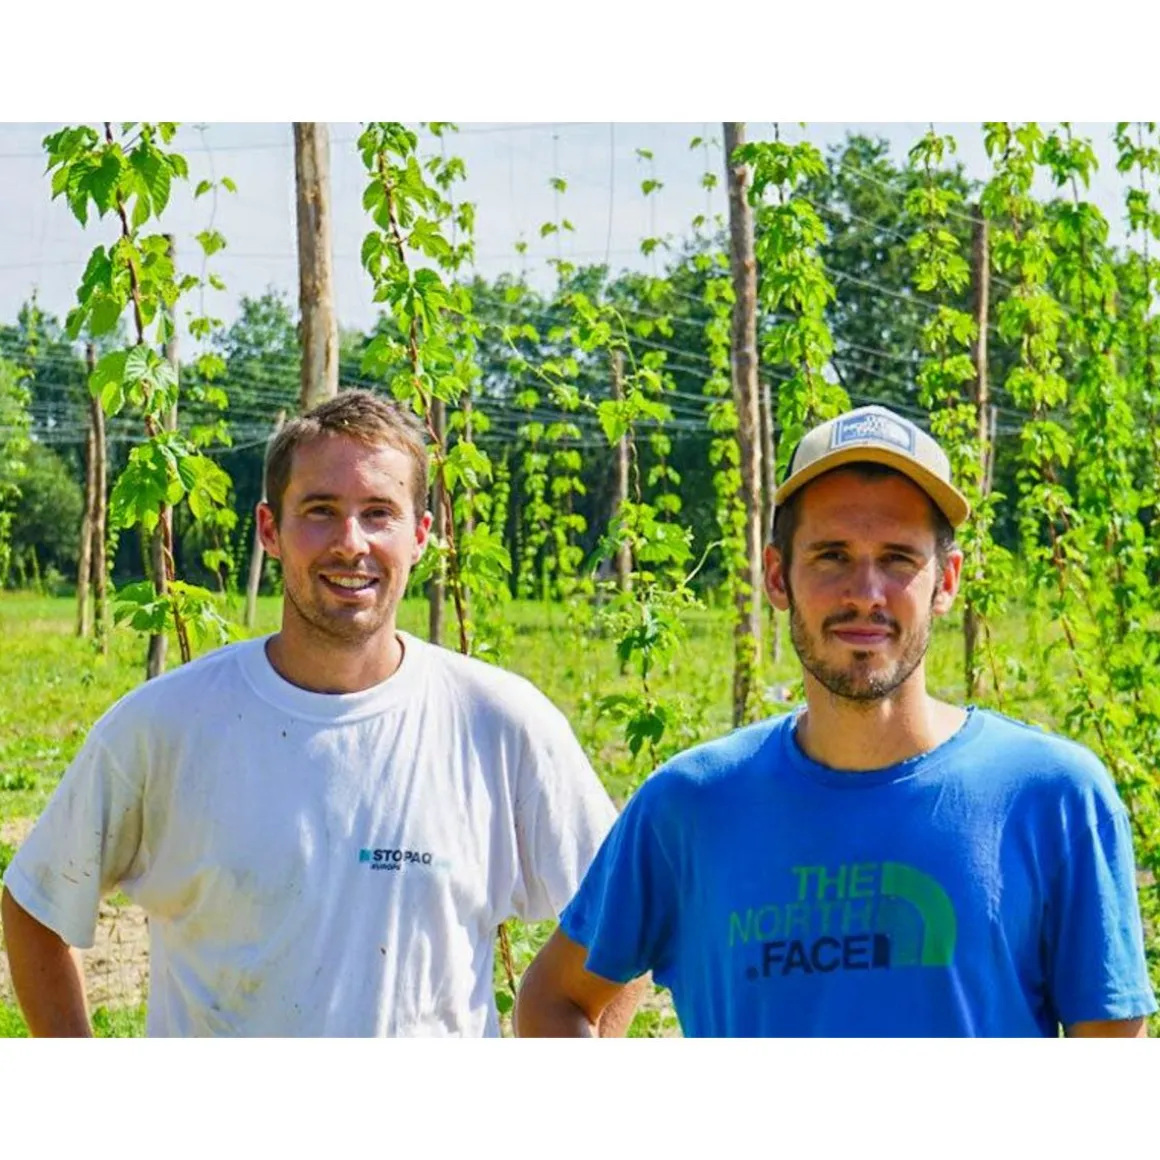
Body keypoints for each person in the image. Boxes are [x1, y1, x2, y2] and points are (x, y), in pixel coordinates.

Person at [1, 389, 636, 1038]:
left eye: (379, 513)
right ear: (270, 530)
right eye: (320, 511)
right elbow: (36, 906)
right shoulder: (165, 726)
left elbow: (629, 918)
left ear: (420, 536)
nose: (350, 543)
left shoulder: (500, 724)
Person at [516, 404, 1157, 1037]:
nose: (865, 592)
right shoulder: (691, 805)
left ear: (947, 581)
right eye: (831, 555)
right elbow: (556, 999)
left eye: (900, 559)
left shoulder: (1053, 797)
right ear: (777, 576)